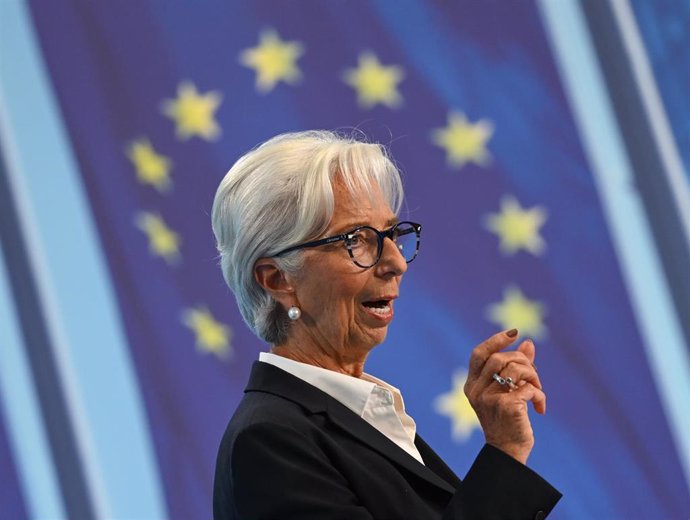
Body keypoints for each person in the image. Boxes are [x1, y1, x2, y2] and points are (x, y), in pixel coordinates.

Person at [211, 130, 561, 519]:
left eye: (391, 234)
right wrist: (503, 457)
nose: (395, 262)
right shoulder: (271, 441)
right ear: (278, 280)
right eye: (356, 240)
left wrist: (505, 448)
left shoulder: (364, 419)